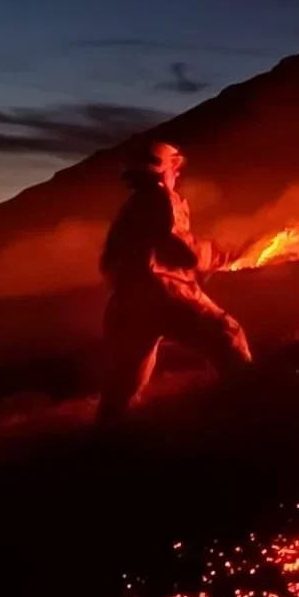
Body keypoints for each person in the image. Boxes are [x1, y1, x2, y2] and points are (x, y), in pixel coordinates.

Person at [97, 141, 252, 423]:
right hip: (164, 295)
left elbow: (110, 261)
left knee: (124, 387)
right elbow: (180, 252)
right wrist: (214, 254)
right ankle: (253, 411)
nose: (177, 174)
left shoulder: (132, 208)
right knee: (227, 336)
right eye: (174, 167)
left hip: (126, 305)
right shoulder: (160, 198)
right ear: (159, 171)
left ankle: (101, 445)